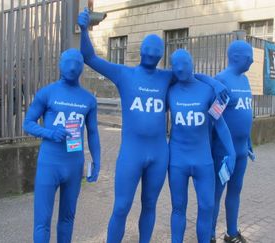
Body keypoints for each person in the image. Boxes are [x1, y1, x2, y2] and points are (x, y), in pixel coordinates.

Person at [77, 8, 227, 243]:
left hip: (159, 154)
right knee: (121, 207)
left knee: (150, 206)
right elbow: (90, 58)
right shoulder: (123, 73)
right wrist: (84, 30)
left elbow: (191, 74)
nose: (151, 53)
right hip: (131, 153)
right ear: (141, 51)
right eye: (148, 48)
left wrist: (215, 84)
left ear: (160, 55)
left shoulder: (167, 76)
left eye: (156, 50)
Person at [23, 48, 101, 243]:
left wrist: (97, 160)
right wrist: (50, 133)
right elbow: (28, 123)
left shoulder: (88, 99)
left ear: (83, 67)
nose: (72, 67)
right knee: (42, 221)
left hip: (74, 165)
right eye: (68, 62)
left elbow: (92, 132)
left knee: (67, 218)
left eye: (77, 63)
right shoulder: (47, 93)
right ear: (59, 64)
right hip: (49, 164)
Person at [167, 49, 236, 243]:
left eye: (184, 63)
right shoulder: (169, 90)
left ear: (192, 62)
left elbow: (220, 124)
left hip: (203, 160)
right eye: (175, 65)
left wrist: (231, 152)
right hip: (177, 161)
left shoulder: (206, 90)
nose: (180, 68)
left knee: (206, 207)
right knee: (178, 208)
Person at [197, 40, 255, 243]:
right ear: (237, 57)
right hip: (223, 152)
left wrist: (248, 140)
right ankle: (209, 234)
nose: (253, 60)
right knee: (216, 194)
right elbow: (214, 119)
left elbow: (246, 113)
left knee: (236, 190)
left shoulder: (245, 81)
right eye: (249, 56)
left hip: (241, 151)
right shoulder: (221, 81)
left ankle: (231, 233)